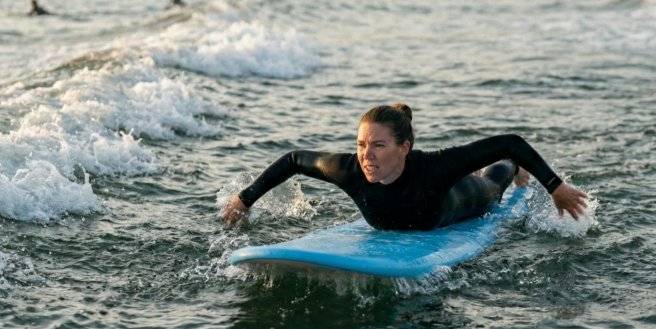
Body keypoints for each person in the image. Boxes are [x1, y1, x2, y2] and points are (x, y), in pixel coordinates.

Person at [219, 104, 588, 230]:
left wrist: (555, 186)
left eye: (378, 146)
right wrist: (243, 200)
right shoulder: (350, 169)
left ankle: (512, 170)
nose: (366, 155)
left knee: (494, 182)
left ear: (404, 149)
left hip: (464, 201)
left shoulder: (433, 166)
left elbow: (510, 141)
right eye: (361, 145)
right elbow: (293, 160)